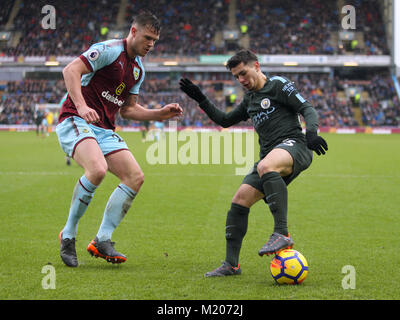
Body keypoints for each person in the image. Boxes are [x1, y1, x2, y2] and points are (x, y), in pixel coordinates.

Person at [179, 49, 327, 277]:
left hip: (295, 146)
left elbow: (306, 108)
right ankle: (231, 265)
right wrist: (201, 98)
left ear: (256, 66)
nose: (241, 80)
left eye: (244, 73)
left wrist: (312, 132)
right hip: (269, 156)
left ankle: (282, 233)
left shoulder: (278, 85)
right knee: (239, 202)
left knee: (266, 166)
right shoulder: (249, 99)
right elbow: (225, 120)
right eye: (236, 77)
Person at [56, 11, 182, 267]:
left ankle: (102, 239)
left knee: (135, 177)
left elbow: (128, 109)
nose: (151, 45)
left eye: (155, 41)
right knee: (97, 169)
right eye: (147, 38)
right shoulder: (109, 50)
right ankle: (68, 235)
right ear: (133, 32)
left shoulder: (138, 70)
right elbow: (71, 70)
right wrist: (80, 106)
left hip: (103, 129)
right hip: (76, 119)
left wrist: (160, 113)